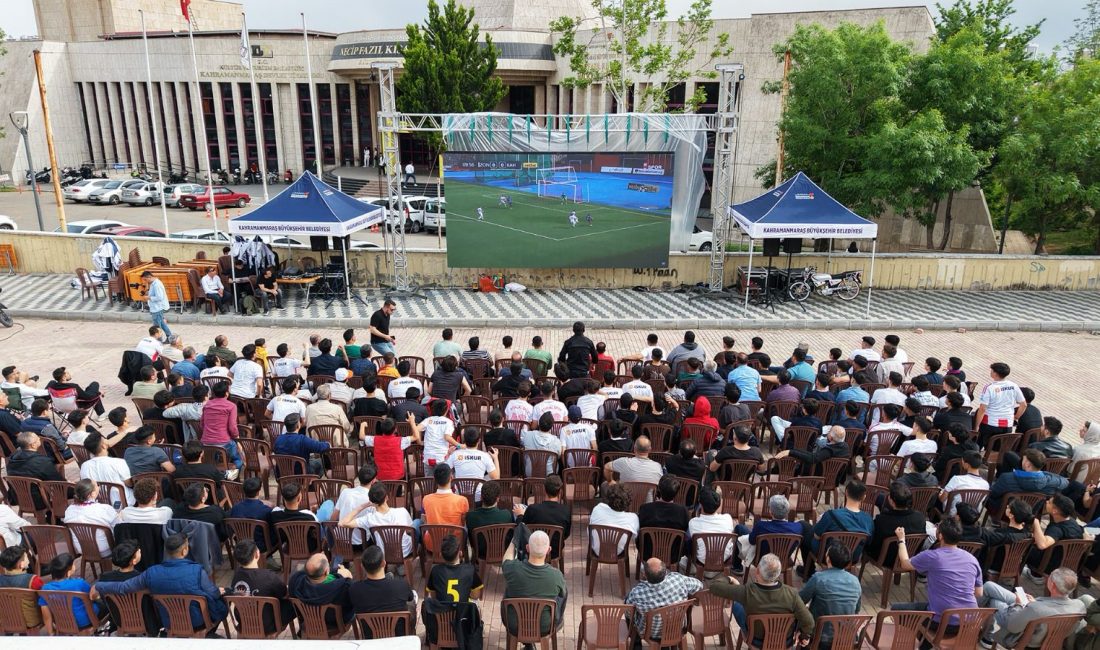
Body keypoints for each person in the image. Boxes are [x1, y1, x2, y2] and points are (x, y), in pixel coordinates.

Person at [91, 533, 229, 630]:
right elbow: (213, 593)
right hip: (197, 621)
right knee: (223, 598)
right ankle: (210, 633)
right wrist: (220, 591)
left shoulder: (151, 572)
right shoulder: (197, 571)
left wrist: (99, 585)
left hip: (169, 621)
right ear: (184, 550)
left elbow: (124, 587)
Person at [892, 517, 982, 648]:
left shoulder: (933, 556)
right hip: (969, 623)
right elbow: (979, 593)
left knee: (896, 610)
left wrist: (901, 540)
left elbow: (905, 564)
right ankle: (924, 644)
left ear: (940, 536)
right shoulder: (972, 559)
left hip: (942, 622)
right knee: (928, 612)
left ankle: (912, 643)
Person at [710, 554, 814, 644]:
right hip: (784, 640)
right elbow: (809, 622)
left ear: (758, 571)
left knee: (736, 605)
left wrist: (729, 578)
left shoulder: (747, 591)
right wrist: (804, 635)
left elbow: (714, 586)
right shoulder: (792, 593)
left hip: (756, 639)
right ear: (778, 574)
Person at [979, 567, 1086, 649]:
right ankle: (982, 633)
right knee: (989, 586)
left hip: (1023, 634)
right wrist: (1035, 602)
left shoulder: (1035, 608)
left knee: (993, 601)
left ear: (1052, 585)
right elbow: (1050, 609)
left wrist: (1018, 605)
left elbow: (1012, 626)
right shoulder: (1080, 606)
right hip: (1037, 615)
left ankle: (982, 634)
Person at [501, 531, 567, 637]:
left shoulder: (513, 569)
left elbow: (505, 560)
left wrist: (514, 541)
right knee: (562, 593)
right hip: (544, 627)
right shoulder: (556, 575)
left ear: (527, 548)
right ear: (549, 550)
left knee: (508, 590)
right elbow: (563, 595)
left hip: (514, 625)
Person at [799, 543, 862, 646]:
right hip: (846, 639)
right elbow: (856, 609)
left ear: (828, 559)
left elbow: (800, 601)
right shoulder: (855, 581)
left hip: (820, 638)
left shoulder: (818, 578)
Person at [626, 558, 704, 641]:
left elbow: (628, 612)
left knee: (630, 613)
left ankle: (636, 644)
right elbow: (699, 585)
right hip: (677, 629)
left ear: (644, 575)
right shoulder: (678, 580)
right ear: (666, 572)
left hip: (650, 633)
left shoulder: (637, 593)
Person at [349, 545, 418, 635]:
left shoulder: (354, 589)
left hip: (371, 636)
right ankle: (411, 633)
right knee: (412, 602)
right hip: (399, 635)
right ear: (384, 563)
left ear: (362, 566)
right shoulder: (401, 585)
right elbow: (410, 597)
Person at [229, 539, 293, 636]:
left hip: (244, 623)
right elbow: (284, 593)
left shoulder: (236, 577)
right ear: (256, 555)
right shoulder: (269, 576)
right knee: (292, 602)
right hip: (268, 625)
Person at [1023, 494, 1083, 582]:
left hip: (1048, 566)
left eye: (1050, 502)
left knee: (1022, 545)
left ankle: (1035, 575)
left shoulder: (1057, 529)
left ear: (1055, 511)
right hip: (1068, 565)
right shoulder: (1073, 523)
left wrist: (1035, 523)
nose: (1047, 502)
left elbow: (1042, 545)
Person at [987, 449, 1068, 513]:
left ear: (1027, 464)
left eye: (1023, 459)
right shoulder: (1050, 483)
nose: (1021, 460)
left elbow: (992, 494)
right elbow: (1066, 482)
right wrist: (1048, 478)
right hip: (1029, 513)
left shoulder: (1006, 478)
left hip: (1004, 511)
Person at [867, 482, 927, 567]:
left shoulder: (882, 520)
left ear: (891, 501)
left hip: (885, 560)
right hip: (910, 558)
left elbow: (874, 543)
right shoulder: (920, 518)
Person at [37, 553, 99, 632]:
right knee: (102, 602)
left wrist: (51, 633)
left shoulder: (45, 589)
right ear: (68, 572)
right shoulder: (79, 583)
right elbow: (92, 596)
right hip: (85, 621)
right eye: (73, 565)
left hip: (62, 623)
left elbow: (46, 614)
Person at [287, 553, 354, 626]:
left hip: (308, 621)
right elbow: (352, 602)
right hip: (335, 623)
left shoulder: (295, 580)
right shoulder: (343, 586)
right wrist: (347, 578)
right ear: (326, 571)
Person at [974, 362, 1027, 447]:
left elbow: (982, 409)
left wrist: (976, 426)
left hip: (989, 423)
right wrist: (1016, 417)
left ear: (995, 373)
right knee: (999, 449)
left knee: (979, 446)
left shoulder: (989, 388)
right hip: (1007, 424)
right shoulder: (1013, 386)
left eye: (991, 370)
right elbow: (1023, 404)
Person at [7, 432, 63, 510]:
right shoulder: (42, 461)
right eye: (37, 439)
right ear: (33, 445)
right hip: (39, 501)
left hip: (18, 497)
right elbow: (58, 484)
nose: (40, 438)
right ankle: (57, 514)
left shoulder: (11, 459)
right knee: (65, 490)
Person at [62, 479, 117, 555]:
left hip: (82, 549)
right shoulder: (104, 509)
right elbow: (118, 526)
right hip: (105, 549)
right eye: (97, 485)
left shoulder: (69, 510)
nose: (99, 486)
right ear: (92, 494)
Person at [422, 463, 469, 551]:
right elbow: (463, 522)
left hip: (432, 545)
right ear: (451, 478)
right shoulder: (462, 500)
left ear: (435, 480)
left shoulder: (426, 499)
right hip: (454, 546)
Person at [685, 487, 735, 569]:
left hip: (702, 559)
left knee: (688, 536)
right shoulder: (728, 518)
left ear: (701, 505)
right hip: (724, 558)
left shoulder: (693, 522)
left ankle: (688, 562)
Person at [199, 382, 243, 474]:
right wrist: (238, 441)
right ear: (227, 393)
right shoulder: (231, 406)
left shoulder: (207, 405)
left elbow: (202, 424)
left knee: (212, 461)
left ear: (213, 393)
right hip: (224, 442)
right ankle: (228, 474)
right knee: (239, 459)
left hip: (205, 442)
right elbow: (232, 427)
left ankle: (215, 472)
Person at [445, 427, 499, 501]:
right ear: (479, 441)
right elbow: (496, 478)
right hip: (478, 500)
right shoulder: (485, 456)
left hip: (459, 498)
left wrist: (449, 455)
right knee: (488, 477)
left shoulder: (455, 455)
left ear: (464, 440)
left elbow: (444, 471)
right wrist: (495, 458)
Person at [80, 431, 134, 505]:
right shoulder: (119, 462)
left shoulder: (84, 466)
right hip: (122, 502)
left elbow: (86, 488)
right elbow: (129, 484)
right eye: (105, 440)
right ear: (104, 446)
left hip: (98, 504)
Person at [427, 534, 483, 602]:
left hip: (443, 611)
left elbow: (433, 596)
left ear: (441, 555)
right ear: (460, 554)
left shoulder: (435, 571)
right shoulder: (470, 570)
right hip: (463, 611)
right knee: (476, 603)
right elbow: (476, 596)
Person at [514, 475, 572, 541]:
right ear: (560, 491)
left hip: (535, 548)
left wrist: (520, 516)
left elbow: (522, 530)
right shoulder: (566, 511)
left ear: (544, 490)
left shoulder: (532, 509)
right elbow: (566, 534)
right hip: (556, 550)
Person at [466, 480, 514, 558]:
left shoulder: (470, 516)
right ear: (498, 499)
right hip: (502, 552)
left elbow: (470, 540)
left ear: (481, 497)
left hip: (481, 554)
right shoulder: (507, 514)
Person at [0, 545, 45, 629]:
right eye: (26, 558)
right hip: (31, 621)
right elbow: (45, 597)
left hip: (7, 620)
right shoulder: (33, 580)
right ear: (21, 565)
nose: (28, 559)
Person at [589, 483, 638, 555]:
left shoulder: (598, 508)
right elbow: (634, 537)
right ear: (628, 502)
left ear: (608, 499)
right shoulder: (633, 518)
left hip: (597, 549)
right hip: (618, 552)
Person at [411, 399, 458, 472]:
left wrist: (419, 442)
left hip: (428, 457)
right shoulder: (448, 422)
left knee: (429, 481)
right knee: (442, 481)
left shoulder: (428, 420)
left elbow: (416, 429)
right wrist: (459, 445)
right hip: (442, 457)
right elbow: (447, 437)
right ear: (446, 410)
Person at [939, 451, 989, 515]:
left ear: (966, 464)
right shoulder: (986, 484)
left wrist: (940, 494)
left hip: (954, 513)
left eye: (962, 461)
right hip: (973, 515)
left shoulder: (957, 479)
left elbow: (942, 499)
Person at [142, 270, 173, 337]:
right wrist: (148, 293)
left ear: (149, 277)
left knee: (157, 327)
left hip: (157, 308)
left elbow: (159, 297)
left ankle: (158, 340)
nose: (145, 281)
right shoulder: (154, 283)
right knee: (162, 324)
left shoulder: (156, 285)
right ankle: (170, 337)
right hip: (156, 307)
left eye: (145, 279)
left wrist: (148, 298)